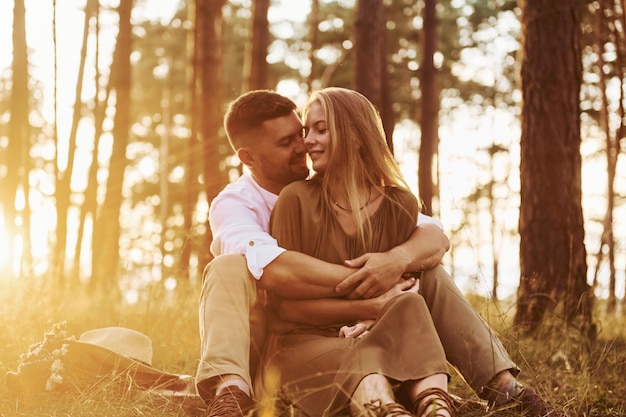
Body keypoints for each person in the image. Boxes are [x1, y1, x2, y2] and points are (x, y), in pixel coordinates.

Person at [195, 89, 565, 417]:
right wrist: (376, 292)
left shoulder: (339, 191)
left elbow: (433, 236)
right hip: (271, 342)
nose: (304, 145)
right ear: (248, 157)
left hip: (353, 328)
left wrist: (395, 261)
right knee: (228, 266)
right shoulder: (236, 205)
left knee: (428, 271)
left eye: (304, 133)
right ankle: (230, 393)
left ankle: (504, 388)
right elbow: (275, 272)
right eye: (287, 142)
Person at [255, 86, 455, 417]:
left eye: (321, 129)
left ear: (356, 135)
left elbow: (407, 282)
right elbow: (285, 310)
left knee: (409, 303)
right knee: (367, 367)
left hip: (374, 337)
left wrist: (377, 313)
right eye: (308, 131)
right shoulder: (296, 199)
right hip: (302, 343)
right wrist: (369, 306)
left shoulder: (400, 205)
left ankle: (436, 405)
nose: (307, 142)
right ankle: (383, 410)